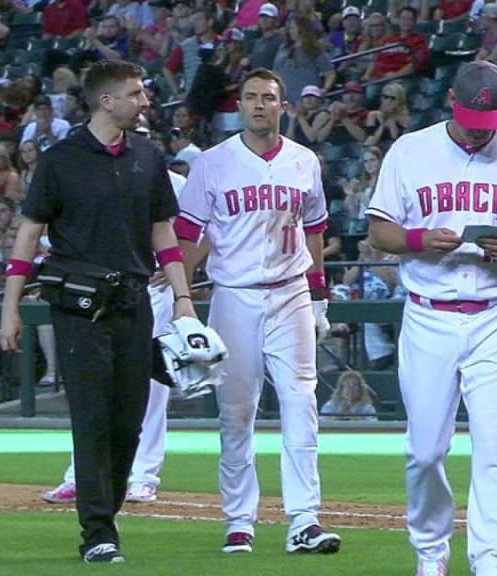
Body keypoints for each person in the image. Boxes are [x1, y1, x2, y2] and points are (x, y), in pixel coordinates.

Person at [365, 61, 497, 576]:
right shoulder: (411, 151)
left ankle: (492, 561)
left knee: (495, 445)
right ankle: (431, 553)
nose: (481, 129)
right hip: (429, 314)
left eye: (490, 120)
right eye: (474, 119)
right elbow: (378, 232)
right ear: (451, 100)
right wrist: (417, 240)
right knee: (425, 451)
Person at [0, 60, 196, 565]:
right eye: (136, 93)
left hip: (134, 300)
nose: (145, 101)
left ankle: (105, 516)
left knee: (128, 419)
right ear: (107, 101)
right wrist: (11, 307)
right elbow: (28, 234)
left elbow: (164, 234)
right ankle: (98, 533)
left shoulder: (148, 157)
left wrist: (183, 299)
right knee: (91, 418)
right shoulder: (60, 160)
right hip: (78, 305)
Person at [173, 67, 341, 556]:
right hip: (234, 295)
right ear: (239, 106)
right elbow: (187, 236)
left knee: (301, 403)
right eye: (250, 97)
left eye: (269, 97)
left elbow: (314, 231)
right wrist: (181, 305)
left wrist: (319, 294)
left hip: (290, 292)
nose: (259, 105)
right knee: (236, 412)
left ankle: (305, 518)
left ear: (282, 105)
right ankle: (239, 520)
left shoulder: (304, 161)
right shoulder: (212, 163)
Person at [43, 166, 195, 507]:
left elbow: (201, 230)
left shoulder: (172, 181)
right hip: (100, 290)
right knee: (92, 388)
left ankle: (143, 476)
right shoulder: (88, 172)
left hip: (151, 290)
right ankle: (81, 476)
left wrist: (179, 273)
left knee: (151, 390)